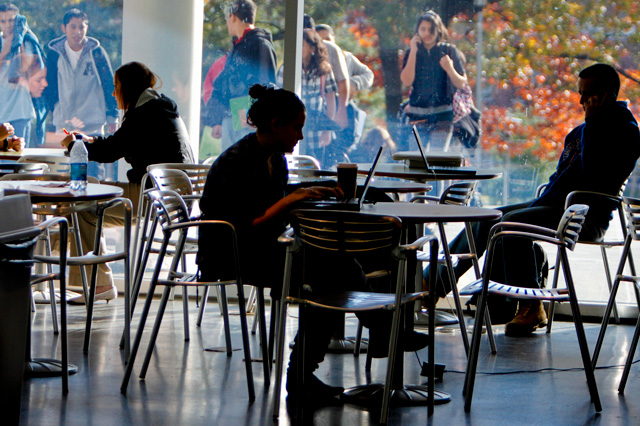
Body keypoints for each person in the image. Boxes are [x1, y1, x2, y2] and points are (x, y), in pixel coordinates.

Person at [425, 63, 640, 336]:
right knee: (487, 217)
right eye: (580, 93)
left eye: (587, 94)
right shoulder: (581, 131)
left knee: (511, 223)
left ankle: (532, 305)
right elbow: (561, 175)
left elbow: (595, 172)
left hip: (583, 214)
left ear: (606, 95)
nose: (581, 100)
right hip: (554, 205)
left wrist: (594, 122)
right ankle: (431, 286)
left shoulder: (625, 131)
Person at [60, 61, 194, 304]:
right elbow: (120, 142)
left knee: (82, 206)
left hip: (154, 198)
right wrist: (90, 141)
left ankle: (97, 284)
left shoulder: (144, 114)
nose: (113, 93)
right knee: (86, 199)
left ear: (127, 87)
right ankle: (93, 280)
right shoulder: (159, 108)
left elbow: (111, 151)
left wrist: (73, 145)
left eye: (116, 87)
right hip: (174, 199)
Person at [44, 8, 119, 180]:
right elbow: (50, 86)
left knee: (92, 171)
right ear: (64, 28)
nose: (78, 32)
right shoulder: (54, 54)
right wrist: (56, 109)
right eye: (73, 27)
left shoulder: (97, 52)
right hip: (65, 123)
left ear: (87, 28)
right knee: (64, 170)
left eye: (82, 27)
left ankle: (93, 205)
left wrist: (111, 115)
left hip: (91, 122)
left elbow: (109, 84)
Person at [203, 0, 277, 152]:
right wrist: (217, 119)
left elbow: (266, 83)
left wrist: (255, 114)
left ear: (233, 17)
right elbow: (223, 83)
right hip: (235, 113)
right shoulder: (239, 46)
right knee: (232, 166)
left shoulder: (259, 44)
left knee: (246, 164)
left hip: (249, 117)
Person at [400, 10, 467, 152]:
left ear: (438, 31)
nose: (427, 33)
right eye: (423, 29)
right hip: (418, 113)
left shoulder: (449, 50)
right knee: (417, 160)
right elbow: (406, 81)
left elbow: (461, 83)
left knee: (437, 159)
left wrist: (449, 68)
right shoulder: (412, 51)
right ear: (417, 31)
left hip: (442, 114)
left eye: (431, 30)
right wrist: (413, 50)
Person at [276, 29, 338, 165]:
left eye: (302, 45)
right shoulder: (287, 69)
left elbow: (331, 99)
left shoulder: (324, 70)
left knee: (316, 164)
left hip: (317, 127)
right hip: (294, 126)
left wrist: (327, 129)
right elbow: (279, 99)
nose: (298, 48)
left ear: (312, 47)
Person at [316, 23, 373, 155]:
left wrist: (353, 83)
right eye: (321, 40)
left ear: (334, 39)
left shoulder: (345, 57)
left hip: (343, 110)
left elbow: (368, 74)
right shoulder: (313, 59)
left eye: (328, 39)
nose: (325, 44)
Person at [0, 3, 45, 146]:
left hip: (21, 112)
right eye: (3, 21)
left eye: (11, 20)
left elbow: (27, 69)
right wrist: (5, 50)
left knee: (17, 162)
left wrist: (19, 41)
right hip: (1, 113)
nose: (8, 25)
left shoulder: (27, 40)